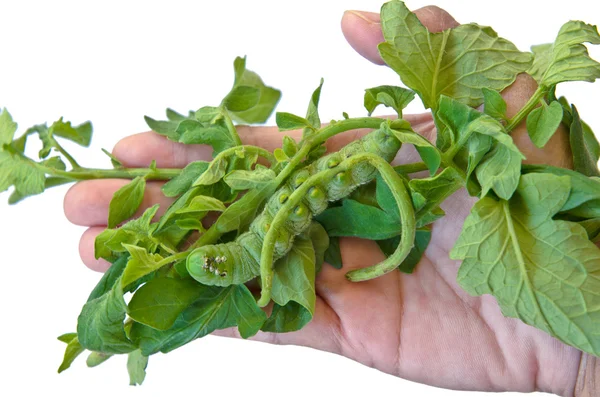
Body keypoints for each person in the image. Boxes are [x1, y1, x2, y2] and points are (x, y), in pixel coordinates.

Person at [62, 6, 597, 396]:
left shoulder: (274, 238)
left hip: (363, 174)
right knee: (315, 192)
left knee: (331, 181)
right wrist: (576, 365)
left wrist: (579, 361)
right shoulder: (261, 244)